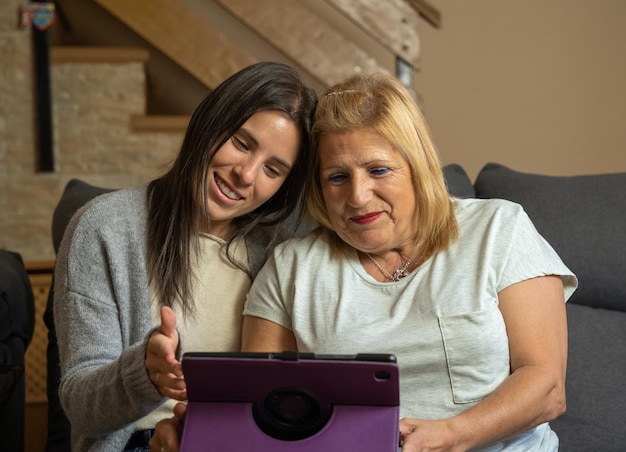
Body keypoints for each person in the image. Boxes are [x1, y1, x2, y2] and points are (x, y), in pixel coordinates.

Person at [149, 72, 577, 452]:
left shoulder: (498, 229)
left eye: (378, 170)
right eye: (337, 177)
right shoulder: (291, 267)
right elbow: (261, 408)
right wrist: (195, 429)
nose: (357, 196)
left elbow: (546, 385)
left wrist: (453, 435)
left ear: (418, 167)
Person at [53, 61, 317, 451]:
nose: (246, 174)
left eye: (273, 170)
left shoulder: (282, 254)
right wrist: (144, 373)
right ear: (210, 121)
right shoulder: (104, 228)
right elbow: (81, 408)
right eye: (242, 143)